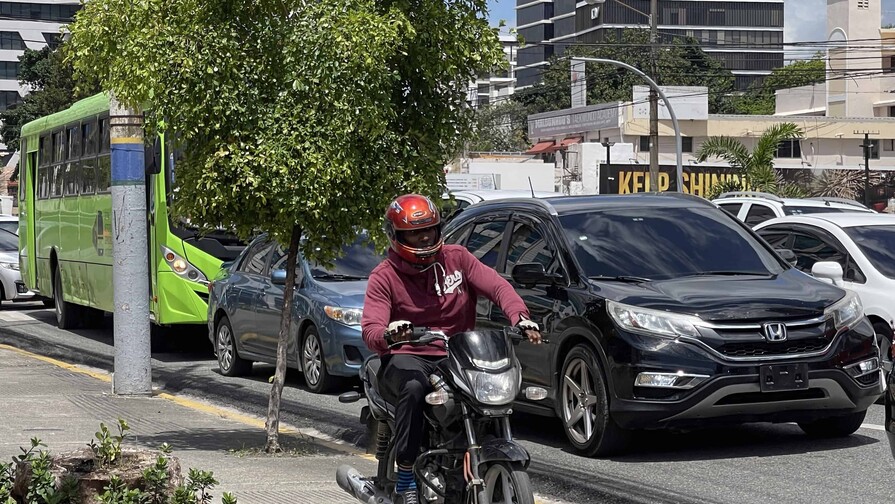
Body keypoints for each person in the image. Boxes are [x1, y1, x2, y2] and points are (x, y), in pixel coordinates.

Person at [361, 193, 541, 504]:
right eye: (415, 232)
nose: (425, 236)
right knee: (415, 388)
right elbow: (371, 329)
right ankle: (405, 479)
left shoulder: (457, 258)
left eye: (430, 229)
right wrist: (389, 334)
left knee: (488, 386)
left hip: (455, 354)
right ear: (397, 236)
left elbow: (497, 286)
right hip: (408, 356)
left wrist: (521, 318)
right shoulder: (385, 276)